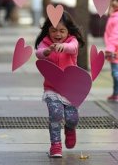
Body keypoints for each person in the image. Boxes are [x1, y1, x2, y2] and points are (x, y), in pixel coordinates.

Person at [35, 11, 85, 158]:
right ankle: (55, 145)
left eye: (62, 31)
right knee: (55, 115)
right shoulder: (46, 42)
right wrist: (47, 51)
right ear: (48, 30)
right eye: (54, 30)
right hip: (52, 88)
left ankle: (70, 128)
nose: (58, 34)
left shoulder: (72, 41)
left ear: (68, 30)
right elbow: (38, 53)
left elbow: (74, 48)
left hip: (70, 89)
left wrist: (65, 47)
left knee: (72, 118)